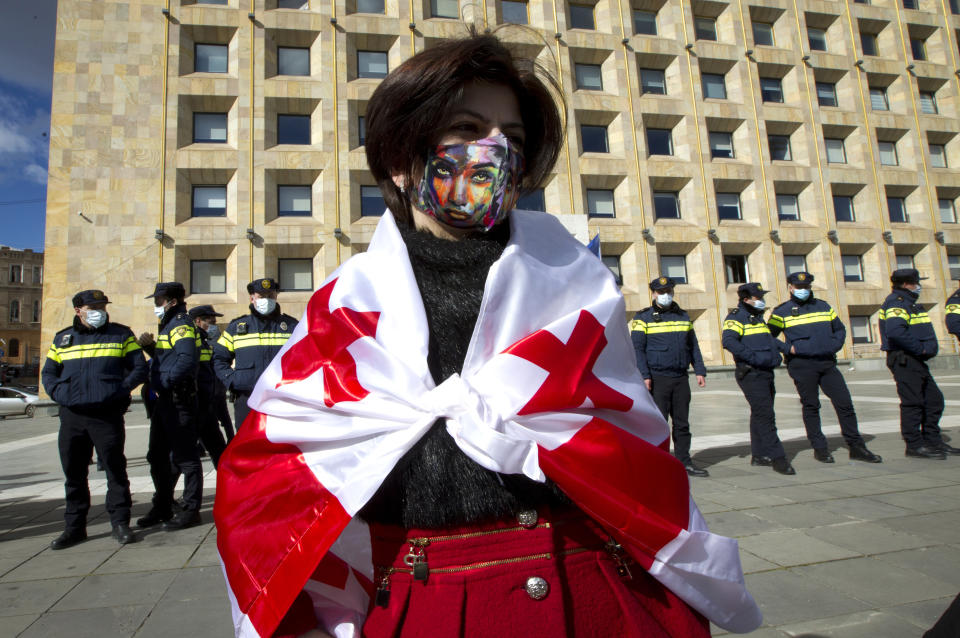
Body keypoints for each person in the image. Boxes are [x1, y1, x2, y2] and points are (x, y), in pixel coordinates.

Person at [215, 33, 761, 638]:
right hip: (435, 600)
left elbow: (630, 445)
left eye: (514, 138)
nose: (494, 148)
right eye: (468, 127)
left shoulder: (576, 284)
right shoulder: (345, 310)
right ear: (401, 156)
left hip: (601, 591)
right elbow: (267, 476)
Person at [41, 289, 148, 549]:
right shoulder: (64, 338)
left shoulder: (121, 334)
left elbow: (139, 367)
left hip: (106, 415)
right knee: (74, 474)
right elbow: (48, 373)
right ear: (79, 311)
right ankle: (75, 527)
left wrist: (119, 390)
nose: (100, 311)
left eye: (102, 306)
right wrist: (60, 393)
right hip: (72, 416)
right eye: (93, 307)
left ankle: (120, 523)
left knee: (115, 470)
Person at [768, 272, 881, 464]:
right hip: (802, 365)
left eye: (806, 287)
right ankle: (820, 448)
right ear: (790, 288)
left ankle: (856, 446)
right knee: (811, 406)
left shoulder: (823, 306)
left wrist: (834, 345)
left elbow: (840, 329)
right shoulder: (782, 311)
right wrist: (788, 348)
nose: (803, 290)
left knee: (844, 403)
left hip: (827, 362)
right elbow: (767, 336)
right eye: (799, 287)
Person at [137, 282, 205, 530]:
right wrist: (149, 349)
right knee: (156, 455)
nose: (156, 305)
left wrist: (165, 382)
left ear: (172, 301)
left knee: (186, 458)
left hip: (178, 400)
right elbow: (168, 359)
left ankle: (191, 510)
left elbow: (186, 360)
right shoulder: (169, 325)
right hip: (165, 401)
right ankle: (163, 505)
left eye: (158, 301)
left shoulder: (181, 325)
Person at [630, 276, 709, 477]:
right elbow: (637, 349)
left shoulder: (682, 316)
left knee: (682, 423)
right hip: (658, 379)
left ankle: (684, 461)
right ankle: (658, 463)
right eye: (661, 292)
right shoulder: (643, 318)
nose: (665, 295)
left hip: (680, 377)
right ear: (654, 294)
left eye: (669, 291)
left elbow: (693, 345)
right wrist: (645, 375)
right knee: (659, 424)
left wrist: (699, 369)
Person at [880, 269, 959, 459]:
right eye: (916, 282)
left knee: (934, 400)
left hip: (915, 360)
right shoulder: (896, 304)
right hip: (905, 359)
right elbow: (895, 332)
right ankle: (914, 446)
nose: (918, 286)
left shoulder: (910, 303)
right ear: (907, 284)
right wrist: (920, 349)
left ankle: (933, 441)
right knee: (913, 403)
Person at [722, 282, 795, 475]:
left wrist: (787, 349)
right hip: (751, 372)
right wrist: (754, 358)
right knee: (766, 416)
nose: (762, 301)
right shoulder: (736, 318)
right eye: (758, 298)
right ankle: (778, 458)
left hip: (765, 371)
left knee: (760, 413)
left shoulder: (757, 318)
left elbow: (768, 339)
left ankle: (759, 454)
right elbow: (728, 341)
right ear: (746, 299)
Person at [212, 278, 297, 429]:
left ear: (276, 296)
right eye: (262, 296)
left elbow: (304, 358)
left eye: (270, 296)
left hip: (281, 399)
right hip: (247, 397)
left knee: (281, 446)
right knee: (247, 447)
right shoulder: (236, 327)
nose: (267, 300)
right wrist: (232, 380)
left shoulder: (291, 326)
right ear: (252, 298)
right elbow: (219, 358)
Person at [189, 304, 228, 467]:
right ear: (198, 321)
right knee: (184, 454)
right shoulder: (191, 342)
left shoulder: (205, 342)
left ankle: (231, 488)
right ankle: (165, 491)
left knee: (219, 450)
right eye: (210, 322)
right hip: (195, 404)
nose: (213, 326)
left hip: (209, 402)